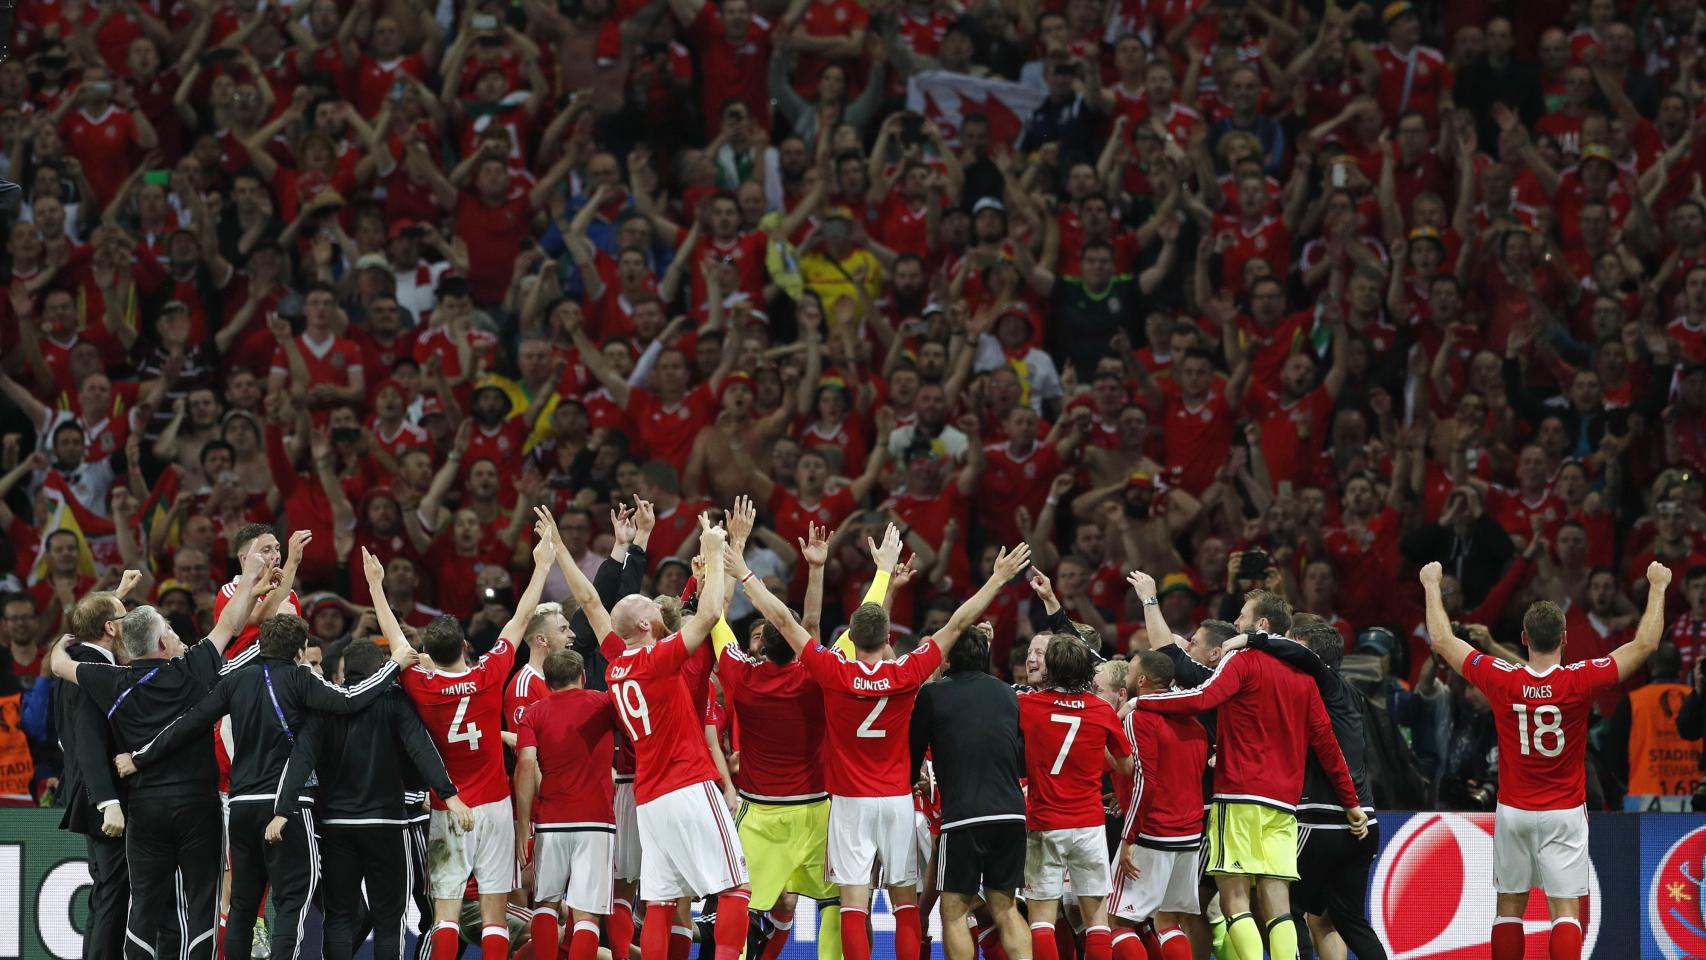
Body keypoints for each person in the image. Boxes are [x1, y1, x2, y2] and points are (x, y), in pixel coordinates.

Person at [728, 493, 1033, 960]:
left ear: (850, 637)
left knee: (853, 902)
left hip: (849, 801)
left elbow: (786, 622)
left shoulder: (832, 669)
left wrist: (743, 573)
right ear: (888, 638)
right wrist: (996, 578)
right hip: (895, 800)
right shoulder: (908, 671)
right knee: (905, 901)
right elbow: (958, 622)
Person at [113, 607, 421, 960]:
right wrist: (393, 665)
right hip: (285, 807)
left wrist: (140, 757)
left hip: (241, 807)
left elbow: (189, 722)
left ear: (260, 644)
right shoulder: (302, 678)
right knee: (292, 902)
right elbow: (350, 699)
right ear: (300, 652)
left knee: (243, 906)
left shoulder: (235, 681)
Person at [1419, 560, 1669, 960]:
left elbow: (1444, 641)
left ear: (1523, 638)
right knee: (1565, 912)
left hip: (1514, 810)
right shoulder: (1579, 680)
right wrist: (1657, 586)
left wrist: (1432, 585)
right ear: (1565, 638)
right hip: (1565, 811)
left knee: (1509, 909)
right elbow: (1644, 646)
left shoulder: (1502, 678)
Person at [543, 503, 751, 960]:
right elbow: (712, 612)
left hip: (649, 797)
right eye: (650, 610)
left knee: (658, 901)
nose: (659, 609)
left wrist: (559, 548)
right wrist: (716, 550)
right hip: (690, 783)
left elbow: (593, 604)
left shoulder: (617, 663)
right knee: (735, 889)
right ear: (644, 626)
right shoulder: (663, 658)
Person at [45, 549, 271, 960]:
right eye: (168, 627)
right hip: (197, 807)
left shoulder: (109, 681)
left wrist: (68, 640)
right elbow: (229, 624)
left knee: (144, 906)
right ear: (165, 640)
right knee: (200, 904)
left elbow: (60, 664)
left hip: (146, 808)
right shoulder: (193, 670)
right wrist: (251, 574)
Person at [1132, 588, 1366, 960]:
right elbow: (1327, 745)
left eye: (1241, 616)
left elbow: (1202, 698)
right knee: (1278, 905)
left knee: (1234, 901)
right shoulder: (1305, 679)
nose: (1235, 623)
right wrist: (1352, 803)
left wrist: (1142, 701)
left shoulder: (1241, 661)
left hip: (1239, 797)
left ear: (1261, 623)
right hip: (1285, 805)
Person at [382, 514, 559, 960]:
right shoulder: (489, 673)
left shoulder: (420, 685)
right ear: (464, 647)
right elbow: (519, 620)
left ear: (430, 653)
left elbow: (396, 641)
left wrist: (374, 588)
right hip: (496, 806)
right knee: (495, 913)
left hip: (447, 804)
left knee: (447, 912)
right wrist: (541, 566)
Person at [272, 635, 467, 960]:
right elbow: (422, 749)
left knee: (339, 918)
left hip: (336, 827)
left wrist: (283, 808)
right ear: (381, 668)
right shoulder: (395, 701)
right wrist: (449, 795)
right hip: (387, 824)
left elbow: (301, 758)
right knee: (389, 919)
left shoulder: (325, 705)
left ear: (344, 670)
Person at [1230, 620, 1387, 960]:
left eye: (1290, 643)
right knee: (1345, 921)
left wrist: (1249, 639)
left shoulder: (1326, 682)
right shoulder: (1351, 695)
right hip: (1365, 821)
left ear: (1305, 649)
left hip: (1325, 820)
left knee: (1281, 908)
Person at [908, 623, 1029, 960]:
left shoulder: (932, 695)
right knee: (1005, 908)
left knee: (954, 912)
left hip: (964, 816)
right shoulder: (1008, 692)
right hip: (1012, 812)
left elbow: (912, 758)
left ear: (946, 659)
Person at [1019, 634, 1132, 960]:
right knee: (1097, 921)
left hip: (1044, 822)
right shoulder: (1101, 709)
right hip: (1089, 825)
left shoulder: (1028, 706)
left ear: (1050, 665)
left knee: (1041, 921)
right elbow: (1125, 767)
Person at [54, 587, 141, 960]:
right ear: (109, 628)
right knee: (113, 892)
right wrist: (108, 802)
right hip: (103, 801)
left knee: (107, 890)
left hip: (89, 794)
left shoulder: (75, 660)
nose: (128, 626)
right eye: (122, 619)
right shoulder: (92, 671)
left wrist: (115, 594)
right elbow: (90, 741)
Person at [512, 647, 616, 960]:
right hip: (596, 820)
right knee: (586, 914)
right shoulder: (603, 703)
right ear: (583, 677)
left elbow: (527, 765)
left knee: (545, 904)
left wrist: (523, 825)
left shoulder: (534, 712)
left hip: (551, 820)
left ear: (547, 681)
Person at [1108, 650, 1209, 960]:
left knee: (1118, 920)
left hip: (1153, 831)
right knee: (1168, 920)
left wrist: (1128, 836)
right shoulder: (1194, 723)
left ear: (1141, 680)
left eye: (1129, 673)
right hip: (1189, 834)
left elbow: (1145, 780)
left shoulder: (1138, 717)